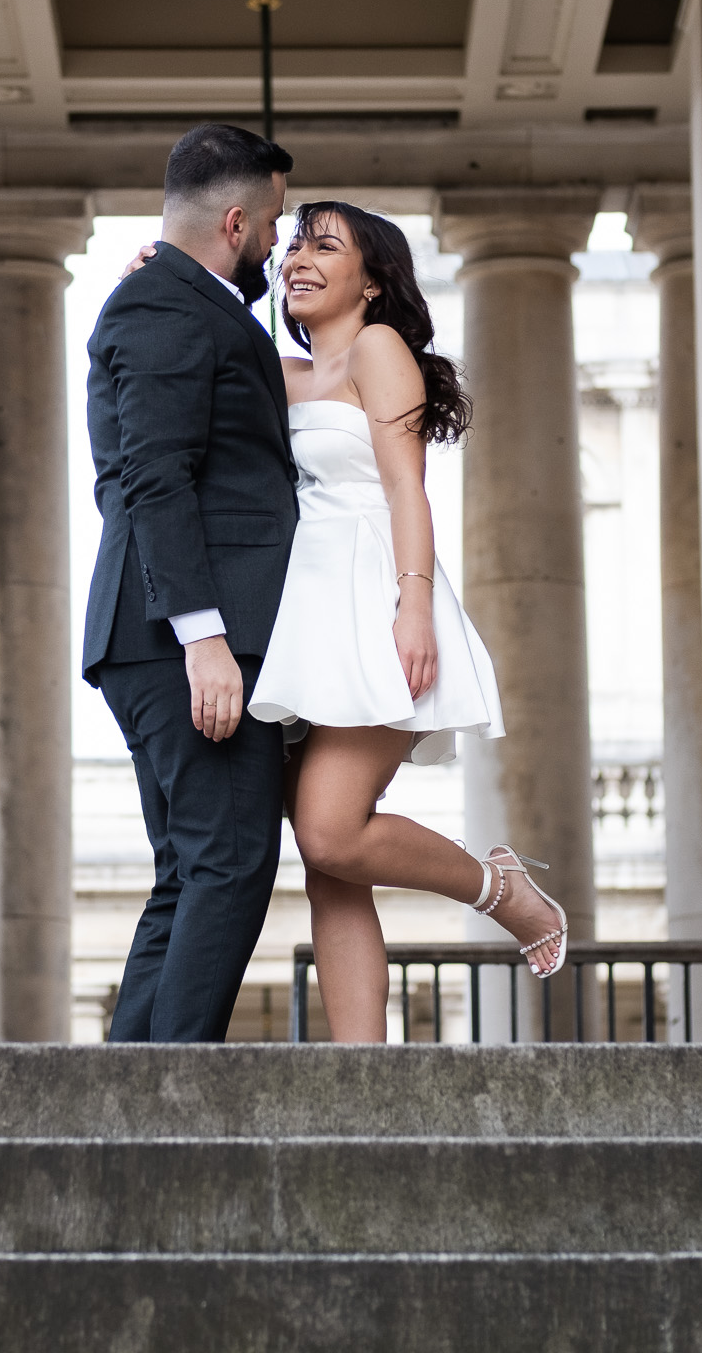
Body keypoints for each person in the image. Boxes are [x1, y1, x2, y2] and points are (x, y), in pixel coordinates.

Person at [247, 201, 567, 1043]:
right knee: (328, 867)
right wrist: (154, 273)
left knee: (328, 831)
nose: (298, 258)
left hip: (372, 600)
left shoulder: (378, 348)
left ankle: (499, 889)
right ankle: (359, 1068)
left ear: (371, 281)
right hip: (305, 620)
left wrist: (414, 603)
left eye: (325, 246)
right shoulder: (279, 370)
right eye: (293, 244)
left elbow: (402, 488)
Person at [82, 122, 297, 1042]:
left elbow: (132, 475)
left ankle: (128, 1097)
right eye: (274, 225)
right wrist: (203, 635)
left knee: (192, 869)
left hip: (156, 634)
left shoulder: (165, 300)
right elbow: (153, 477)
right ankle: (171, 1098)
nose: (277, 245)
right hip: (185, 639)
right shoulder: (166, 307)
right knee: (232, 861)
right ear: (236, 222)